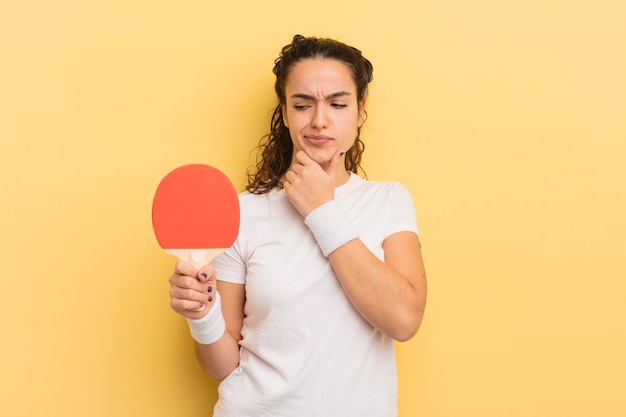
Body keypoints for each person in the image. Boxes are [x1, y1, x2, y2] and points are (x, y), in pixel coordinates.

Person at [168, 34, 427, 417]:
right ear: (285, 112)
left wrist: (322, 211)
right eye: (303, 105)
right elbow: (221, 367)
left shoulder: (387, 201)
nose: (319, 121)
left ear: (360, 110)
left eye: (338, 104)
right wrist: (202, 315)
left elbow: (404, 320)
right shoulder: (243, 212)